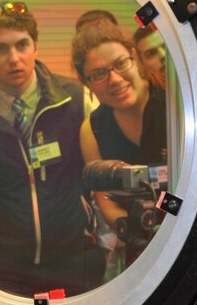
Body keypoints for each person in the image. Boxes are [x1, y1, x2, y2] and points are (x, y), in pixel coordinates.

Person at [0, 1, 105, 297]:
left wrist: (105, 242)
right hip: (0, 271)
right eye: (1, 49)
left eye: (22, 45)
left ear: (35, 47)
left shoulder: (77, 100)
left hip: (76, 263)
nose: (14, 58)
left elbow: (102, 175)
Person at [71, 23, 167, 265]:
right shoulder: (92, 130)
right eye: (99, 74)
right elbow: (105, 197)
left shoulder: (174, 100)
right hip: (141, 247)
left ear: (134, 58)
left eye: (121, 63)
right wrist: (131, 230)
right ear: (87, 83)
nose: (114, 79)